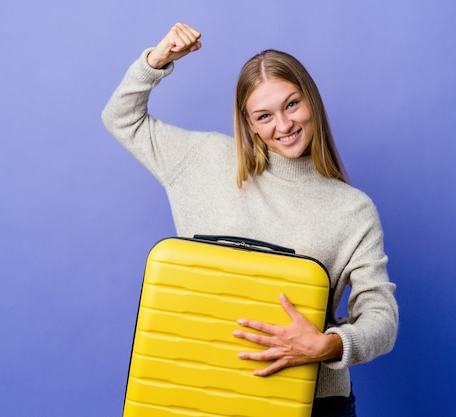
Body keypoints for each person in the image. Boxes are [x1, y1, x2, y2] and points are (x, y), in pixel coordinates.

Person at [102, 22, 398, 417]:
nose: (284, 125)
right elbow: (121, 118)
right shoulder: (201, 159)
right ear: (248, 123)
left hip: (313, 403)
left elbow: (381, 317)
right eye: (264, 115)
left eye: (292, 104)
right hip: (201, 392)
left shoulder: (352, 209)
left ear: (311, 100)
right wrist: (157, 61)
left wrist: (331, 344)